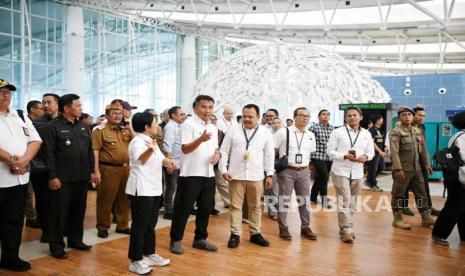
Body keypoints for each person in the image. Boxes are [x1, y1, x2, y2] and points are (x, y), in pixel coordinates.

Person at [43, 94, 96, 259]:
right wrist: (52, 176)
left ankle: (75, 240)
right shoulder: (53, 127)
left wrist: (92, 171)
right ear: (66, 108)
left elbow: (88, 150)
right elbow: (48, 154)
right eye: (78, 106)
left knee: (78, 212)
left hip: (81, 177)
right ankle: (56, 246)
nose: (81, 108)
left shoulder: (82, 126)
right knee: (59, 214)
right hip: (62, 179)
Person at [169, 95, 220, 254]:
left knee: (205, 208)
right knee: (183, 209)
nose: (207, 110)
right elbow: (185, 149)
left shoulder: (213, 127)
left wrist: (217, 155)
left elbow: (216, 149)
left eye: (210, 107)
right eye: (204, 107)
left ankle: (200, 239)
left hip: (209, 174)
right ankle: (176, 240)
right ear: (195, 108)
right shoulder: (188, 124)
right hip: (190, 174)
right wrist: (201, 139)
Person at [126, 112, 175, 274]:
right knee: (140, 226)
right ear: (147, 127)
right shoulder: (137, 142)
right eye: (155, 123)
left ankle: (148, 253)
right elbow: (141, 160)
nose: (158, 126)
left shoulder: (150, 141)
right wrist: (150, 150)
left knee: (150, 225)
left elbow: (161, 159)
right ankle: (135, 260)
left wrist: (170, 162)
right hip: (141, 189)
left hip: (154, 188)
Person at [0, 80, 41, 272]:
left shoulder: (20, 115)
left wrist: (23, 161)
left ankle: (10, 257)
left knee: (15, 220)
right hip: (2, 176)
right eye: (1, 92)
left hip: (19, 178)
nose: (5, 95)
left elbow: (35, 140)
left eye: (8, 92)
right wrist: (11, 160)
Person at [219, 104, 274, 248]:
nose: (247, 119)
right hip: (235, 175)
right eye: (244, 116)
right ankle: (235, 234)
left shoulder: (265, 133)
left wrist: (269, 174)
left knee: (255, 206)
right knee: (235, 206)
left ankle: (255, 233)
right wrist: (223, 170)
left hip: (256, 175)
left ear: (258, 117)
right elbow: (223, 151)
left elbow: (269, 155)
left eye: (250, 116)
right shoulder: (233, 130)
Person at [327, 107, 374, 243]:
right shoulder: (337, 132)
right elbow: (329, 151)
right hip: (340, 170)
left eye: (355, 115)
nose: (352, 117)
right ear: (345, 118)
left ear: (360, 117)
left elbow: (371, 152)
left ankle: (346, 226)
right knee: (344, 200)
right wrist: (344, 156)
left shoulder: (366, 134)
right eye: (349, 116)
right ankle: (346, 229)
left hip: (358, 172)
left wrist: (365, 156)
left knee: (353, 202)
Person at [274, 107, 317, 241]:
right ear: (294, 117)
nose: (305, 118)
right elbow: (273, 150)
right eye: (302, 115)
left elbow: (310, 152)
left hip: (304, 171)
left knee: (304, 201)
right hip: (287, 170)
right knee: (284, 200)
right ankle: (283, 227)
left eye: (307, 116)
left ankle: (305, 227)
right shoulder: (283, 132)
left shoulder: (310, 135)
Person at [389, 106, 435, 230]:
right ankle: (397, 218)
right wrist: (398, 169)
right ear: (400, 117)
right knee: (399, 194)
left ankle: (425, 217)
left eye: (409, 115)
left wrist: (427, 163)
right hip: (403, 170)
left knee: (421, 193)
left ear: (412, 116)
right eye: (404, 115)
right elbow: (394, 152)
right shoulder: (396, 132)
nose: (407, 117)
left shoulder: (417, 131)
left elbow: (423, 149)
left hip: (417, 169)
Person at [92, 103, 132, 238]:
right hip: (108, 168)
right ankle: (103, 227)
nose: (117, 116)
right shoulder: (100, 130)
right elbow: (95, 151)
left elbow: (136, 140)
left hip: (125, 168)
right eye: (114, 113)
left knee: (124, 198)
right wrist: (96, 171)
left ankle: (123, 225)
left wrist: (130, 126)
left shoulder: (125, 130)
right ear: (107, 115)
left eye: (120, 114)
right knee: (105, 198)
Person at [431, 111, 465, 246]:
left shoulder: (459, 135)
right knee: (453, 207)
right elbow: (463, 161)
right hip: (459, 178)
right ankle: (439, 234)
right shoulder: (462, 137)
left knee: (463, 207)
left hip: (458, 176)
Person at [30, 93, 60, 241]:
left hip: (62, 170)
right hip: (42, 170)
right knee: (43, 203)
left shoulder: (66, 122)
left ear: (58, 104)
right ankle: (46, 231)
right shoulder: (37, 124)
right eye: (43, 103)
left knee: (59, 203)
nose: (45, 105)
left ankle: (59, 230)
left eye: (49, 102)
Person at [403, 106, 441, 216]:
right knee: (404, 187)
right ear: (412, 115)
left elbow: (423, 146)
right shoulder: (404, 128)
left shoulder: (422, 128)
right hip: (407, 162)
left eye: (423, 116)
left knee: (424, 185)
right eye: (419, 115)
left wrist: (427, 163)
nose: (422, 118)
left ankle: (428, 206)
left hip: (420, 161)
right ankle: (403, 207)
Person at [162, 106, 185, 219]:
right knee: (171, 187)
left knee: (177, 187)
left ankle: (175, 208)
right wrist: (170, 162)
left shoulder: (178, 126)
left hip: (179, 161)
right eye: (181, 114)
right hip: (173, 161)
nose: (183, 116)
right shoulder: (170, 126)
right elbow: (167, 145)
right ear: (173, 115)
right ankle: (168, 211)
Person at [24, 100, 44, 228]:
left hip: (38, 163)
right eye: (41, 108)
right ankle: (31, 217)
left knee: (37, 191)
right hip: (26, 161)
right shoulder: (24, 122)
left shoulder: (41, 123)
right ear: (32, 109)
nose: (43, 110)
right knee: (28, 192)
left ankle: (35, 215)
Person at [309, 109, 335, 208]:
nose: (326, 116)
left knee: (321, 177)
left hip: (329, 156)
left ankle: (313, 196)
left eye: (328, 114)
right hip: (317, 156)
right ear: (319, 117)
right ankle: (324, 199)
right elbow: (309, 142)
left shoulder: (332, 128)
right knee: (325, 177)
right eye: (323, 114)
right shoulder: (313, 128)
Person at [211, 114, 229, 212]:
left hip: (219, 161)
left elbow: (224, 147)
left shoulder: (221, 133)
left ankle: (228, 202)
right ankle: (210, 205)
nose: (212, 121)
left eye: (214, 120)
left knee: (222, 182)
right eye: (211, 120)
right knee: (209, 185)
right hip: (206, 162)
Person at [364, 114, 386, 192]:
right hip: (373, 153)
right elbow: (372, 142)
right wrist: (379, 151)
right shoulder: (372, 129)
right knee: (373, 168)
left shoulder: (380, 129)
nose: (382, 120)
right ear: (376, 120)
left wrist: (385, 149)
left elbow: (382, 141)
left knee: (381, 167)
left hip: (379, 153)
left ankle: (369, 180)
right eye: (381, 119)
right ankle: (373, 184)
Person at [266, 117, 283, 219]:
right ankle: (273, 211)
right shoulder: (269, 134)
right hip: (271, 164)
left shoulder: (285, 134)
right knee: (271, 189)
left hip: (283, 164)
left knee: (280, 189)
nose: (276, 124)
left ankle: (279, 210)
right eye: (274, 123)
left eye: (278, 122)